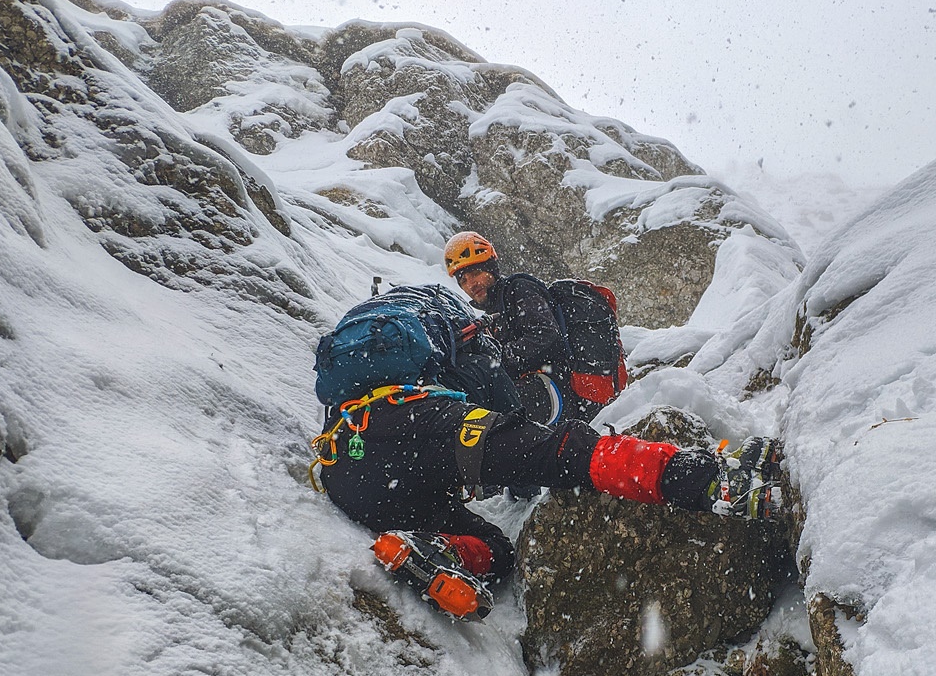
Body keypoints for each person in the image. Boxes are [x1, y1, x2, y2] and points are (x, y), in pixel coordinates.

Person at [312, 380, 782, 621]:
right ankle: (707, 480)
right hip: (414, 427)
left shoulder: (350, 392)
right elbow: (501, 408)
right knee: (565, 452)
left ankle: (437, 552)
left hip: (351, 481)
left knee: (496, 546)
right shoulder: (458, 339)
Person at [443, 231, 592, 426]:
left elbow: (546, 334)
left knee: (485, 420)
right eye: (463, 280)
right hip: (534, 388)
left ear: (490, 268)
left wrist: (499, 358)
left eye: (475, 273)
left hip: (554, 387)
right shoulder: (491, 316)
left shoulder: (519, 289)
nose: (471, 284)